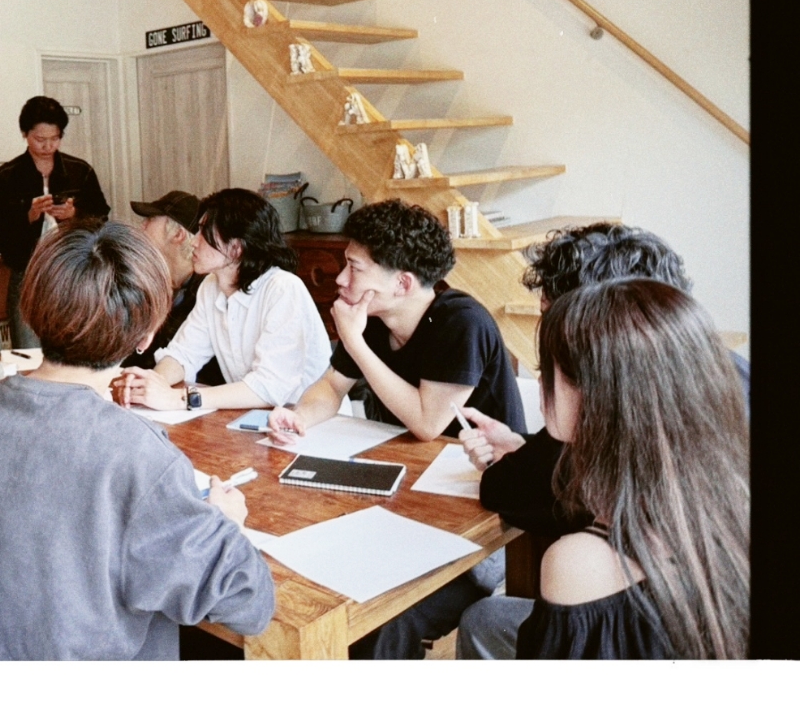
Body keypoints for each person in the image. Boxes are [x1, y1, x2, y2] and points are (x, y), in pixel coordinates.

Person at [0, 222, 275, 659]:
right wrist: (226, 523)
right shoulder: (137, 454)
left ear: (31, 306)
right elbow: (250, 604)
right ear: (146, 336)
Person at [455, 222, 752, 658]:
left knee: (484, 618)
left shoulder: (583, 562)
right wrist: (521, 445)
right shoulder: (721, 382)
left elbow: (508, 490)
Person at [265, 197, 525, 659]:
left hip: (477, 524)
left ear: (402, 283)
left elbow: (427, 423)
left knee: (383, 621)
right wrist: (300, 416)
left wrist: (354, 341)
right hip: (401, 500)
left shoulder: (461, 322)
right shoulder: (373, 319)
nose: (341, 279)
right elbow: (331, 385)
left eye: (354, 268)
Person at [514, 280, 748, 657]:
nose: (541, 384)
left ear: (596, 397)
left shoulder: (581, 564)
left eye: (547, 371)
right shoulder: (734, 499)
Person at [114, 188, 329, 411]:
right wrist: (149, 385)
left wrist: (177, 399)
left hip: (312, 421)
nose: (194, 242)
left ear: (235, 249)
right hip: (256, 418)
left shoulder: (283, 289)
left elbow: (268, 388)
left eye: (204, 233)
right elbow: (183, 355)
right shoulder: (211, 286)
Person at [0, 95, 109, 347]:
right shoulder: (5, 178)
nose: (48, 146)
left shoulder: (80, 171)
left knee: (74, 346)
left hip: (74, 271)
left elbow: (102, 217)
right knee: (28, 350)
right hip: (27, 273)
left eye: (55, 138)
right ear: (25, 134)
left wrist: (74, 215)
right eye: (40, 139)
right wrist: (28, 215)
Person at [119, 189, 222, 386]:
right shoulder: (148, 284)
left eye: (150, 220)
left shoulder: (208, 292)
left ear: (178, 234)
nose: (142, 226)